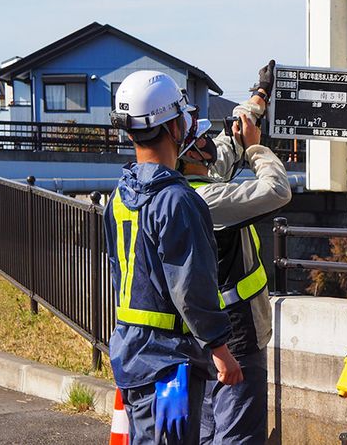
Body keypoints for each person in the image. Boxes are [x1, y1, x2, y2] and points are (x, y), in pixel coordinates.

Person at [105, 70, 243, 445]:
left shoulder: (120, 195)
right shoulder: (177, 201)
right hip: (169, 362)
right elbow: (191, 286)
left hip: (132, 353)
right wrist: (220, 350)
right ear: (172, 127)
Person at [177, 61, 292, 444]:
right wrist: (257, 147)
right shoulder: (206, 200)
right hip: (235, 330)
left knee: (210, 428)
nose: (212, 143)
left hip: (202, 328)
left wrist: (259, 96)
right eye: (203, 140)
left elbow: (223, 153)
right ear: (189, 154)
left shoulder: (184, 188)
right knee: (238, 432)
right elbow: (276, 191)